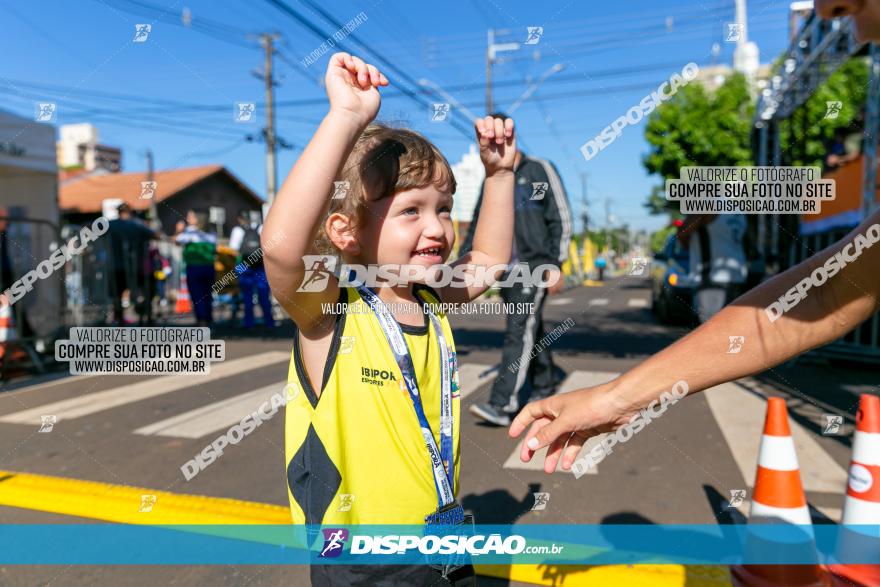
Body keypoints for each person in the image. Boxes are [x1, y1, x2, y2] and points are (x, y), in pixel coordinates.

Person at [508, 0, 880, 472]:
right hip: (718, 281)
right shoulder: (701, 221)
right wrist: (617, 398)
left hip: (721, 278)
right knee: (712, 330)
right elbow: (822, 296)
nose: (830, 10)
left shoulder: (715, 218)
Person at [262, 52, 515, 586]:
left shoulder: (430, 295)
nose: (438, 227)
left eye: (444, 208)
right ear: (345, 231)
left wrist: (500, 176)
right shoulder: (329, 311)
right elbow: (283, 250)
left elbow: (488, 262)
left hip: (443, 544)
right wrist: (345, 118)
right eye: (411, 210)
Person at [461, 115, 572, 427]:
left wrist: (556, 264)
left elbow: (560, 216)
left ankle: (503, 404)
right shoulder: (492, 178)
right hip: (503, 272)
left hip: (534, 266)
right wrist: (462, 262)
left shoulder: (539, 169)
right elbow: (477, 222)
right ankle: (546, 383)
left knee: (518, 328)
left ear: (510, 134)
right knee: (527, 329)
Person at [678, 214, 748, 322]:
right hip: (737, 280)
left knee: (710, 333)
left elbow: (682, 233)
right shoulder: (739, 212)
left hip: (711, 282)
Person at [107, 203, 159, 325]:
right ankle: (143, 318)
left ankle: (120, 320)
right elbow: (155, 235)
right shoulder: (137, 225)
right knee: (141, 293)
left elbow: (92, 228)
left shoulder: (111, 224)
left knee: (118, 295)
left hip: (117, 266)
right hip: (136, 267)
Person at [229, 210, 275, 329]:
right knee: (264, 295)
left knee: (247, 296)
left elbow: (233, 249)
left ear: (240, 218)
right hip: (260, 266)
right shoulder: (261, 227)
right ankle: (269, 323)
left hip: (243, 266)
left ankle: (249, 323)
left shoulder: (238, 230)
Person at [175, 210, 217, 327]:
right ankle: (208, 319)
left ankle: (202, 320)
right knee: (207, 295)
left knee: (197, 295)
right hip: (209, 267)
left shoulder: (190, 232)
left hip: (194, 268)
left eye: (190, 216)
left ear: (197, 219)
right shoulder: (212, 232)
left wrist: (179, 230)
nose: (187, 218)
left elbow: (177, 241)